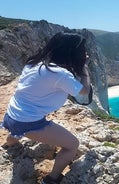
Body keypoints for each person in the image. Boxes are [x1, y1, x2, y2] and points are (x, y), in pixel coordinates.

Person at [0, 32, 91, 184]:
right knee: (72, 145)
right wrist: (84, 69)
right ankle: (51, 179)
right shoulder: (60, 74)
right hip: (28, 122)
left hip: (11, 115)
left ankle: (8, 145)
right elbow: (84, 91)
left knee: (17, 129)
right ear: (72, 53)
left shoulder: (34, 63)